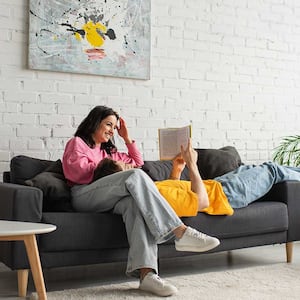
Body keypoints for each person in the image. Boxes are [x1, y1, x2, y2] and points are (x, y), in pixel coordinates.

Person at [62, 105, 220, 297]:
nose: (112, 130)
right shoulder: (77, 143)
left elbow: (137, 162)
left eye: (114, 127)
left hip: (108, 197)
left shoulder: (107, 151)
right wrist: (111, 166)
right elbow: (76, 172)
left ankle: (147, 275)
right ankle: (179, 231)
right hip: (84, 194)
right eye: (108, 124)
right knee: (134, 176)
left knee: (133, 204)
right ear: (95, 122)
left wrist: (126, 139)